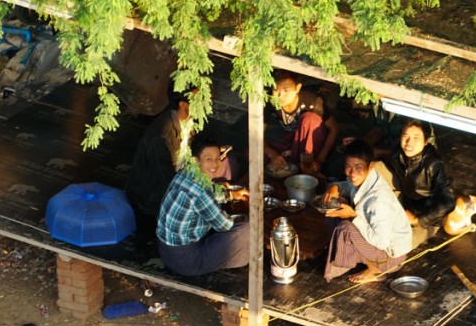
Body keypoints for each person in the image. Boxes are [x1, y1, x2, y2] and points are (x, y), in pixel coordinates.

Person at [156, 135, 250, 276]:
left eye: (218, 158)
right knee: (248, 230)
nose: (215, 164)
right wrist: (243, 219)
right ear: (196, 160)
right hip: (185, 260)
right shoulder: (198, 192)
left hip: (165, 250)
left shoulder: (188, 172)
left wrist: (230, 195)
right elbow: (224, 225)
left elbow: (209, 194)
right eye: (209, 159)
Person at [321, 140, 412, 283]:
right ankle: (340, 251)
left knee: (345, 228)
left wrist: (353, 216)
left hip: (390, 258)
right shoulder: (365, 178)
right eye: (348, 167)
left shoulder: (379, 200)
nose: (352, 174)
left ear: (370, 166)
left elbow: (381, 242)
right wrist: (335, 187)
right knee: (334, 208)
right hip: (378, 247)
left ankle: (376, 270)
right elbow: (347, 185)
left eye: (358, 168)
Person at [123, 89, 195, 226]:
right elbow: (164, 175)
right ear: (183, 105)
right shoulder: (162, 135)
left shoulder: (186, 123)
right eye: (198, 99)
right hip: (150, 199)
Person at [381, 119, 455, 246]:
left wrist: (419, 220)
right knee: (375, 167)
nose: (409, 143)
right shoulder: (397, 153)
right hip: (406, 202)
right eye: (406, 136)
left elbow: (448, 202)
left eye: (416, 138)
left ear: (426, 142)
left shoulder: (434, 164)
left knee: (402, 243)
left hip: (426, 217)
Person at [265, 70, 339, 176]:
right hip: (291, 143)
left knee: (310, 119)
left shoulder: (311, 101)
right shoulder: (271, 102)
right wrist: (273, 155)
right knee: (253, 153)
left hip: (311, 144)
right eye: (276, 89)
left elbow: (334, 128)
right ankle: (292, 162)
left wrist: (320, 159)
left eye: (286, 90)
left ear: (297, 88)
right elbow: (258, 133)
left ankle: (306, 168)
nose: (280, 95)